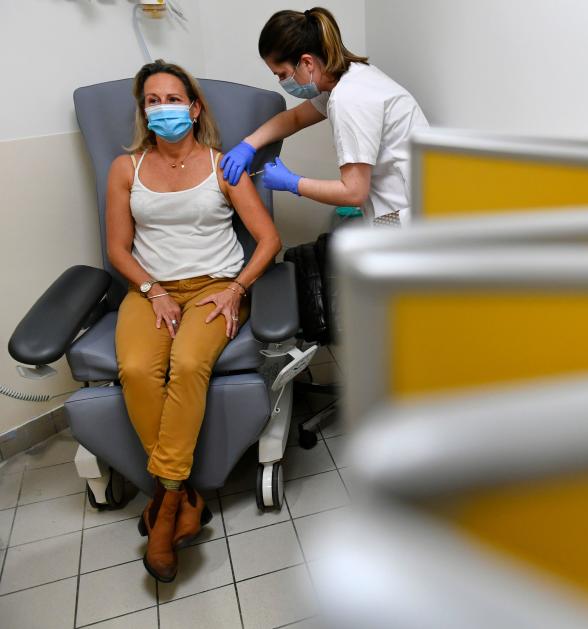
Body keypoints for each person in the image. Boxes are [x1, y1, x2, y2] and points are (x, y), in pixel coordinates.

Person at [105, 60, 282, 582]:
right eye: (152, 101)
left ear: (195, 106)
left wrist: (236, 289)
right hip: (151, 290)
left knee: (186, 364)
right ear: (143, 110)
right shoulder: (126, 169)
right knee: (136, 369)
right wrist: (151, 290)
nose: (163, 109)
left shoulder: (222, 164)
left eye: (172, 99)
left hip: (215, 287)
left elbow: (268, 239)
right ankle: (181, 497)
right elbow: (117, 248)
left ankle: (164, 507)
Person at [220, 7, 429, 225]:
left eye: (282, 74)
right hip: (406, 208)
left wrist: (293, 183)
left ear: (307, 63)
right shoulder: (349, 78)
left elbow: (353, 193)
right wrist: (248, 145)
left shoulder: (349, 98)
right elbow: (295, 119)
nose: (281, 82)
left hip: (407, 218)